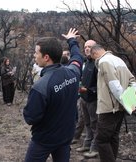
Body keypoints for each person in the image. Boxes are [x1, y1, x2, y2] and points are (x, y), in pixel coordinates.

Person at [23, 28, 83, 162]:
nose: (34, 55)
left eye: (36, 52)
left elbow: (30, 117)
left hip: (44, 140)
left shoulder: (41, 86)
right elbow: (78, 58)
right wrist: (72, 40)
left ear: (46, 57)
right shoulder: (73, 72)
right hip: (66, 136)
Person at [90, 44, 136, 162]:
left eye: (93, 57)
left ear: (94, 53)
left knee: (101, 140)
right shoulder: (119, 60)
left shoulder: (104, 62)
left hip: (109, 109)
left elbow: (114, 85)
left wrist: (127, 102)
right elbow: (133, 82)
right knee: (113, 137)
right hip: (120, 109)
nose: (94, 60)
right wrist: (130, 100)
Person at [76, 40, 98, 158]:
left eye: (90, 47)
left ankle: (95, 148)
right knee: (88, 123)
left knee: (95, 124)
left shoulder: (98, 63)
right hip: (83, 98)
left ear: (95, 48)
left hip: (93, 99)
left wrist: (89, 90)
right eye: (85, 47)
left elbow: (101, 84)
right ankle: (87, 144)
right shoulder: (87, 62)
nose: (87, 49)